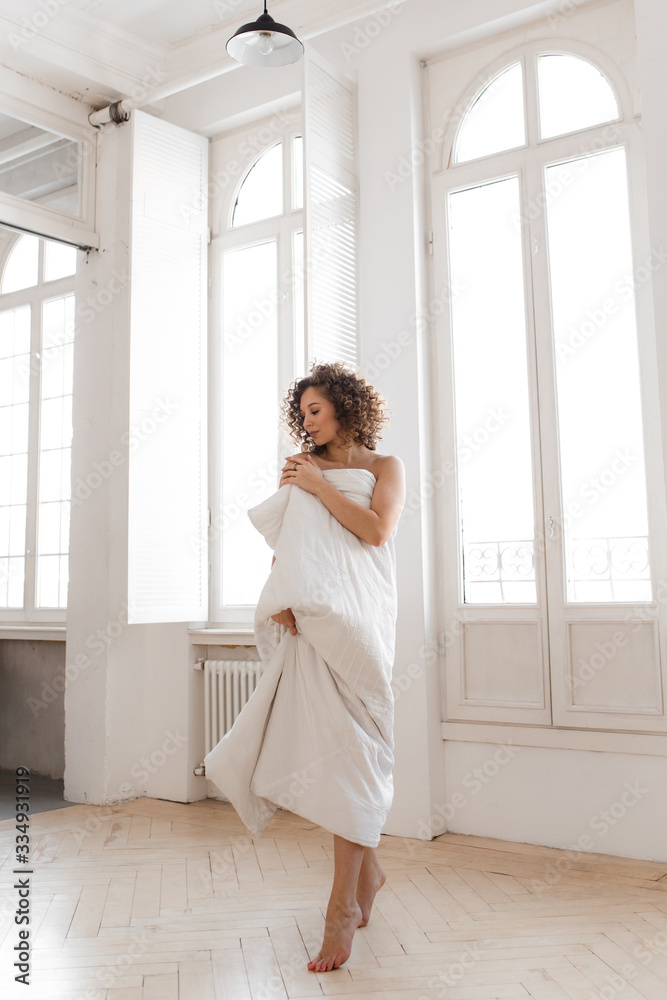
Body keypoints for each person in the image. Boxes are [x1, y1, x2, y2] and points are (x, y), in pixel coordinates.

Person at [203, 360, 405, 973]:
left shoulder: (384, 467)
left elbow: (377, 531)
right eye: (303, 413)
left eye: (316, 409)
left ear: (344, 405)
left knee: (363, 748)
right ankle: (346, 901)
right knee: (345, 755)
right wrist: (282, 598)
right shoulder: (299, 466)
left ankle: (354, 890)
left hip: (363, 616)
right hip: (312, 615)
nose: (308, 422)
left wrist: (321, 486)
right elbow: (289, 544)